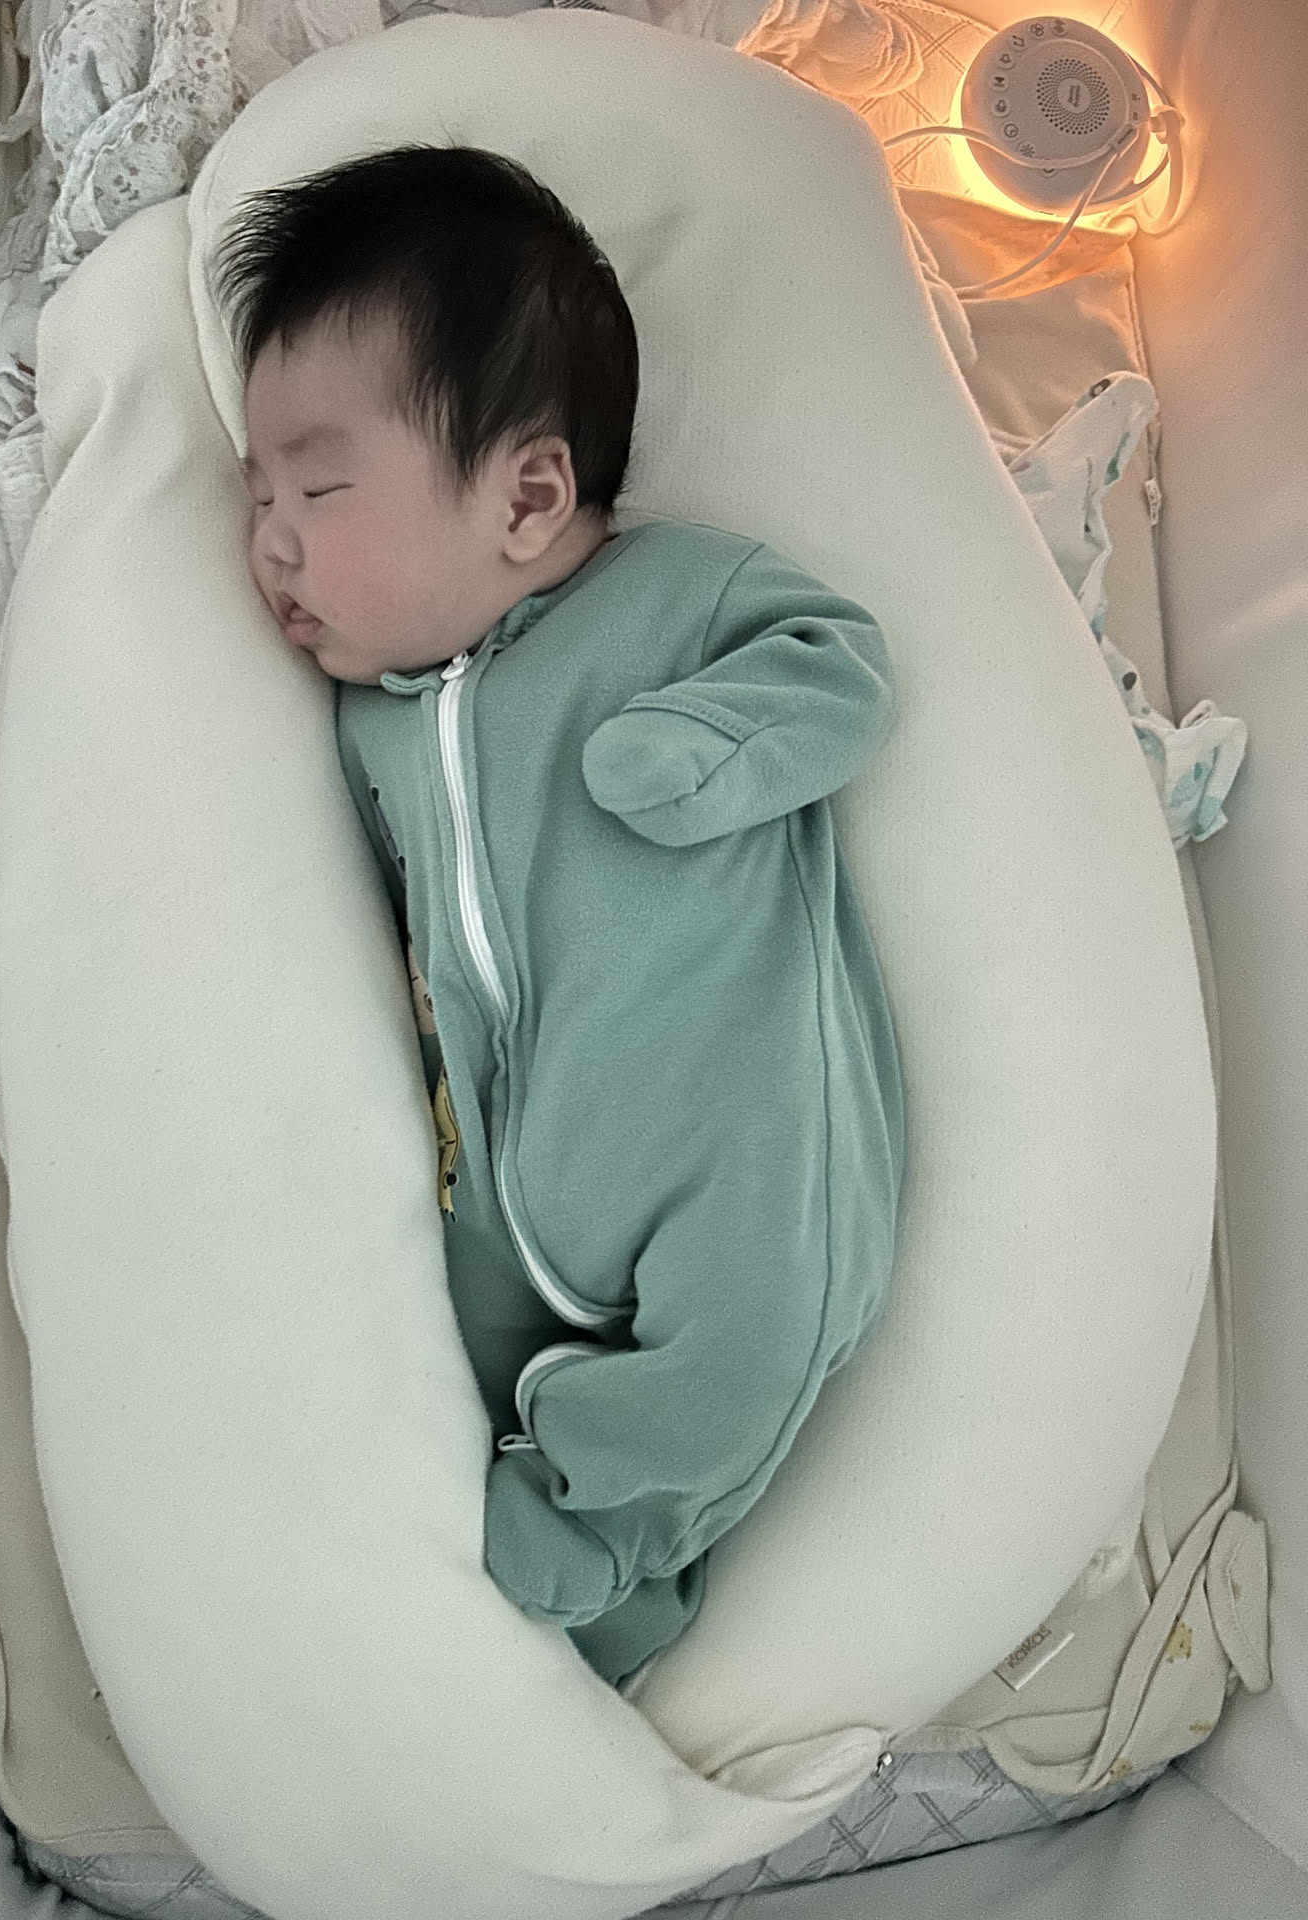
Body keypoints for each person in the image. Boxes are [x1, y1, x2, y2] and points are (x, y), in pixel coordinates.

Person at [213, 142, 905, 1689]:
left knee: (744, 1337)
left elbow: (841, 665)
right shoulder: (374, 721)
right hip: (504, 1186)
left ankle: (616, 1544)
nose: (271, 538)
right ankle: (533, 1614)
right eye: (258, 493)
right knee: (440, 1381)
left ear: (526, 494)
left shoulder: (674, 596)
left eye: (318, 487)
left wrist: (694, 745)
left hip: (738, 1141)